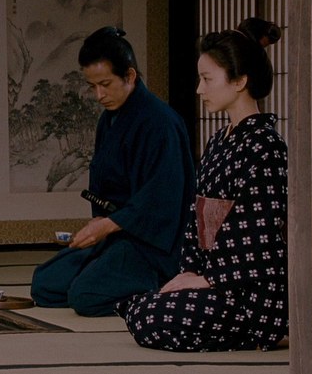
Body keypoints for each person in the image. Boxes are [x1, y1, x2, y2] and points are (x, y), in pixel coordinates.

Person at [117, 25, 288, 351]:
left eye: (208, 79)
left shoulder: (266, 145)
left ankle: (259, 330)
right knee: (142, 307)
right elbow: (197, 219)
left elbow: (257, 234)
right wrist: (191, 272)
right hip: (214, 278)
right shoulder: (219, 141)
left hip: (248, 289)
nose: (199, 89)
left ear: (239, 81)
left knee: (150, 316)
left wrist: (208, 279)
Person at [30, 26, 195, 317]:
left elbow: (161, 198)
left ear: (129, 76)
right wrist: (101, 224)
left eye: (105, 84)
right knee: (45, 284)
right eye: (92, 86)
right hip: (118, 234)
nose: (99, 95)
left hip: (153, 244)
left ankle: (161, 286)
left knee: (84, 297)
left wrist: (107, 225)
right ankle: (110, 274)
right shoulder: (109, 120)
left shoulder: (161, 123)